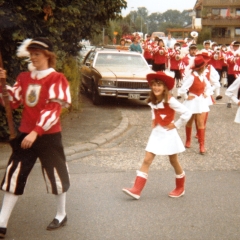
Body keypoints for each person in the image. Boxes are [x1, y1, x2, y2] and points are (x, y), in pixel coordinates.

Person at [0, 37, 71, 238]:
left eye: (37, 53)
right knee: (15, 173)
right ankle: (1, 222)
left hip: (48, 135)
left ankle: (61, 214)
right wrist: (2, 84)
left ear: (48, 56)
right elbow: (12, 102)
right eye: (31, 53)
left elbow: (53, 109)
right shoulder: (24, 77)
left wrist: (36, 131)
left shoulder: (57, 79)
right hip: (25, 134)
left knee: (56, 174)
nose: (33, 57)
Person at [122, 71, 192, 200]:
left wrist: (176, 125)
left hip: (168, 133)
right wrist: (154, 119)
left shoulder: (171, 100)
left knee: (173, 160)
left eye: (159, 85)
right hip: (157, 133)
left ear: (165, 87)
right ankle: (136, 190)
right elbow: (153, 109)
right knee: (147, 159)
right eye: (154, 85)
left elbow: (187, 112)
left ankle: (180, 187)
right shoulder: (153, 99)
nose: (156, 87)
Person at [179, 55, 212, 154]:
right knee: (189, 122)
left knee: (201, 124)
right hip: (192, 102)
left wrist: (206, 93)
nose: (206, 67)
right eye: (205, 66)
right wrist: (186, 96)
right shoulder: (192, 77)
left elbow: (209, 88)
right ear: (201, 67)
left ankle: (202, 146)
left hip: (201, 101)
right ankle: (188, 140)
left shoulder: (203, 77)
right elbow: (182, 89)